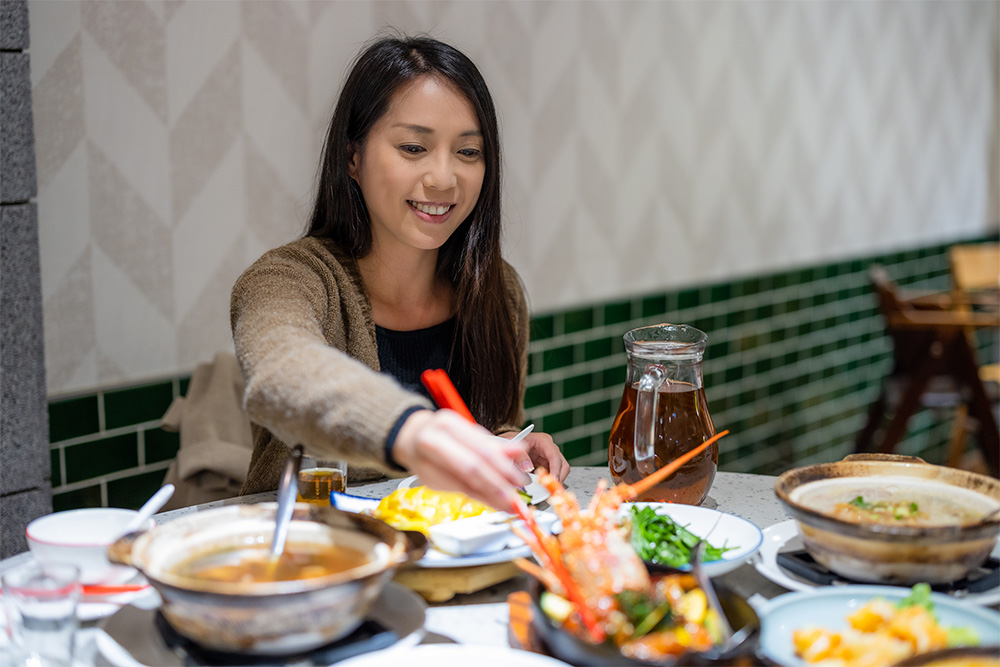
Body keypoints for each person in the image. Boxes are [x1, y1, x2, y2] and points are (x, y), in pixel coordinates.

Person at [231, 35, 569, 512]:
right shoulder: (287, 281)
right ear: (353, 158)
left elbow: (487, 428)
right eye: (413, 147)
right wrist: (414, 432)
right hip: (315, 564)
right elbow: (282, 372)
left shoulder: (496, 289)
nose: (443, 178)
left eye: (468, 152)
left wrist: (506, 447)